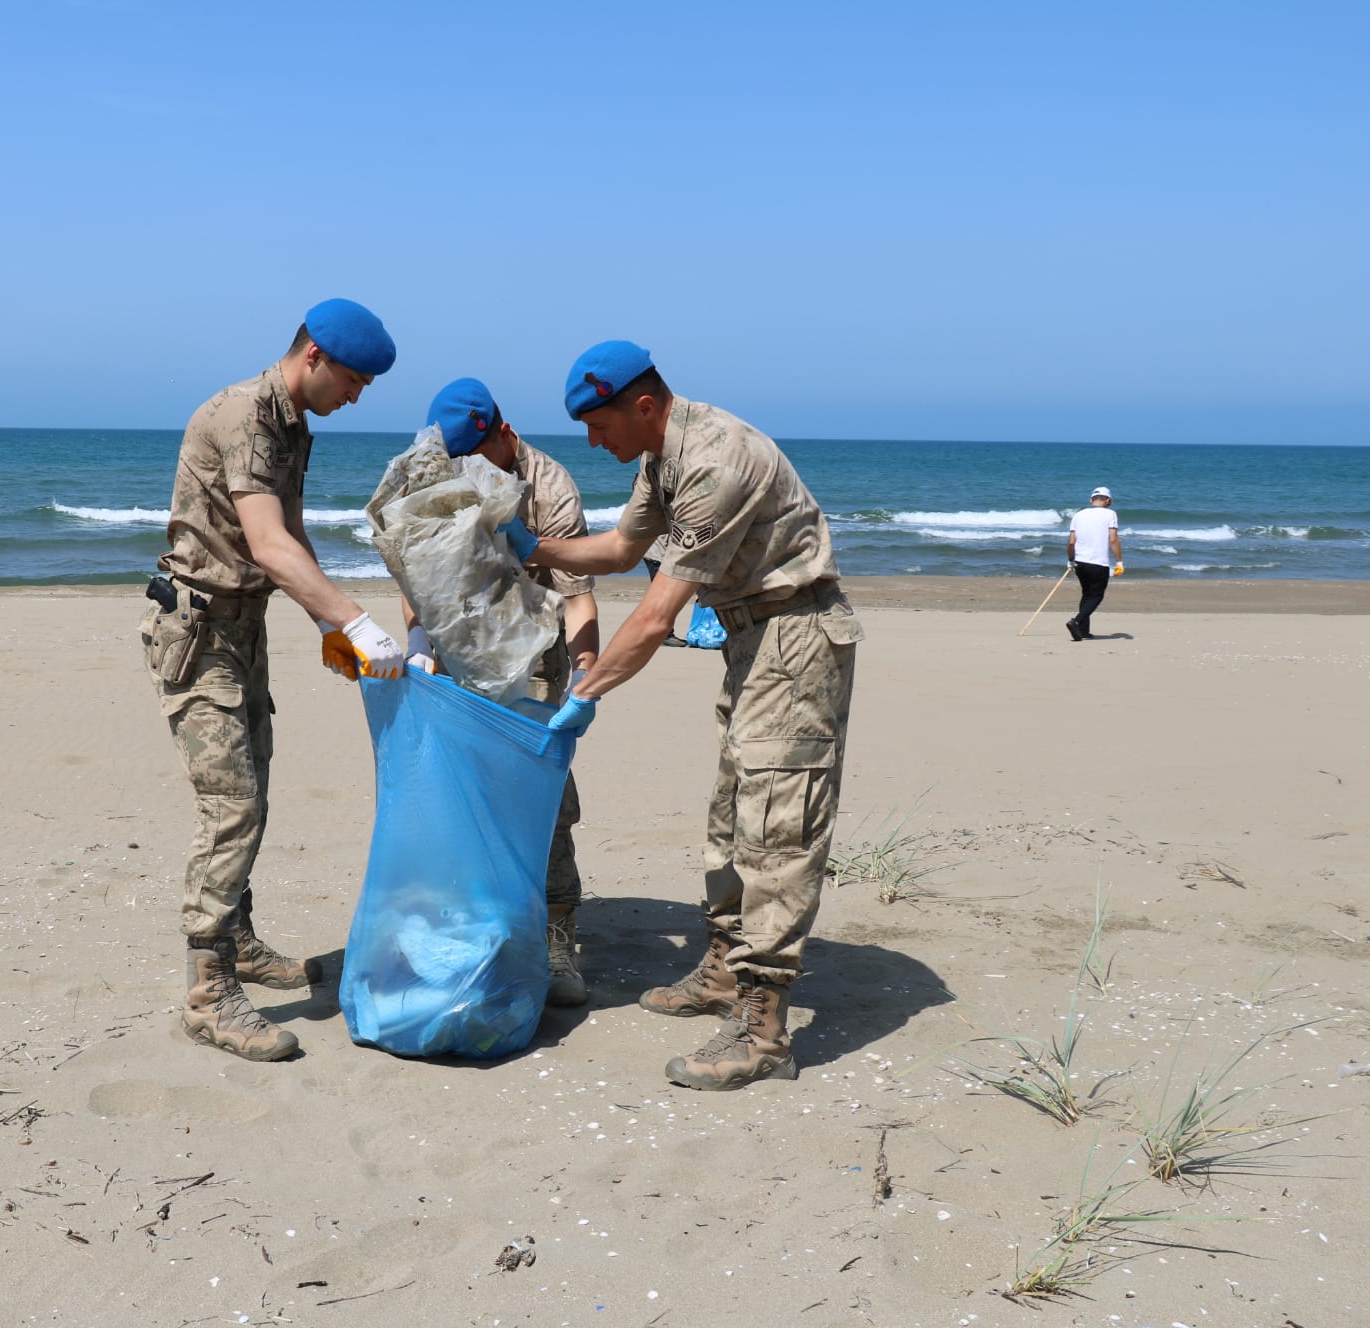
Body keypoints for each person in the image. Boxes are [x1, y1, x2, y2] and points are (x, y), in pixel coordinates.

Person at [502, 341, 862, 1091]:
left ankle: (764, 1029)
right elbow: (621, 546)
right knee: (732, 814)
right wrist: (535, 546)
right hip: (749, 635)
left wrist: (583, 692)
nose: (592, 442)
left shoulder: (715, 461)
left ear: (643, 404)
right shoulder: (659, 458)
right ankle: (726, 973)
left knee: (777, 825)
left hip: (795, 635)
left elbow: (656, 614)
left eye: (599, 426)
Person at [142, 299, 406, 1062]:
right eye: (354, 380)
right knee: (233, 802)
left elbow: (290, 537)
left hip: (240, 627)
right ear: (314, 356)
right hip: (195, 632)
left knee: (253, 779)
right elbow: (265, 543)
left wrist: (330, 622)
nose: (357, 396)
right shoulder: (245, 417)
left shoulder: (293, 425)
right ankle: (207, 989)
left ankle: (239, 937)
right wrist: (355, 619)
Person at [405, 377, 601, 1007]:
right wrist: (416, 646)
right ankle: (481, 927)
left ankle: (556, 933)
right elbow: (421, 581)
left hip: (537, 655)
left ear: (505, 433)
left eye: (479, 460)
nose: (470, 475)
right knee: (466, 794)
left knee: (546, 801)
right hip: (460, 653)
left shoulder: (551, 487)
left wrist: (585, 678)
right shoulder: (442, 477)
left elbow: (577, 592)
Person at [1065, 487, 1124, 641]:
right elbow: (1113, 539)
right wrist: (1119, 561)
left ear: (1091, 500)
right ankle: (1076, 622)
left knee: (1087, 594)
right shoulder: (1110, 514)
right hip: (1098, 563)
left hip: (1080, 562)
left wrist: (1071, 560)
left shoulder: (1078, 515)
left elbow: (1071, 542)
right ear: (1108, 500)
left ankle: (1083, 631)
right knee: (1096, 595)